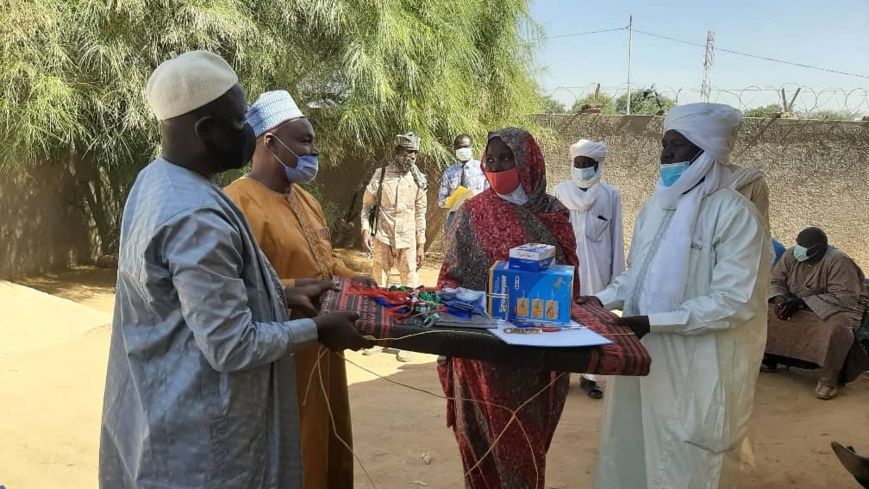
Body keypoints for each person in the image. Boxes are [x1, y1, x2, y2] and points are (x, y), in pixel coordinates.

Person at [99, 51, 367, 489]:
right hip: (199, 438)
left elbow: (201, 299)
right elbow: (231, 344)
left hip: (165, 405)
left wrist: (286, 294)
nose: (250, 130)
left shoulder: (158, 180)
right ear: (207, 131)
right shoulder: (196, 215)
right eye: (241, 122)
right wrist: (317, 330)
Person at [589, 103, 770, 488]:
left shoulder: (734, 213)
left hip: (694, 362)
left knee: (680, 460)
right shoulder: (656, 206)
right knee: (629, 448)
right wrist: (600, 300)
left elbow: (735, 302)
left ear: (706, 150)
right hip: (640, 351)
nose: (665, 154)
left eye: (678, 145)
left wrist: (653, 322)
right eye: (664, 144)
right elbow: (635, 276)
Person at [224, 90, 377, 488]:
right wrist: (300, 289)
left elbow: (325, 262)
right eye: (305, 140)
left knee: (329, 436)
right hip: (281, 350)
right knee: (294, 447)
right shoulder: (235, 204)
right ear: (270, 142)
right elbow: (239, 288)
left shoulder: (306, 199)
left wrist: (350, 278)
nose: (313, 150)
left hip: (326, 345)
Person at [438, 128, 579, 488]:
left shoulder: (553, 213)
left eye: (507, 158)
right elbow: (449, 278)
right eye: (492, 159)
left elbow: (568, 281)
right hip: (481, 356)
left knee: (524, 450)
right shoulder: (471, 213)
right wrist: (474, 303)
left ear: (528, 161)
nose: (497, 166)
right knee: (480, 444)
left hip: (533, 357)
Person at [554, 139, 624, 400]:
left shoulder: (610, 195)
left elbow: (616, 238)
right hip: (565, 269)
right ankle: (561, 374)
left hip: (597, 270)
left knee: (594, 322)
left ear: (598, 165)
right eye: (578, 163)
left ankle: (590, 376)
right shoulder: (560, 192)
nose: (582, 168)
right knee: (563, 319)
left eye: (588, 164)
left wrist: (617, 280)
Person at [764, 227, 869, 399]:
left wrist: (801, 303)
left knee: (837, 330)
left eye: (803, 247)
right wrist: (779, 300)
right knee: (765, 313)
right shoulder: (791, 255)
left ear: (818, 249)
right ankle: (770, 359)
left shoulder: (838, 261)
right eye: (798, 243)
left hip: (837, 308)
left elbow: (845, 297)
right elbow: (775, 281)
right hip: (796, 302)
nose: (798, 249)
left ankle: (829, 379)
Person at [360, 132, 427, 288]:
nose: (413, 156)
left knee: (411, 289)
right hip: (383, 238)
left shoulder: (419, 180)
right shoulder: (381, 175)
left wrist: (421, 245)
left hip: (408, 241)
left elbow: (420, 213)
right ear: (398, 150)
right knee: (379, 287)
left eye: (415, 152)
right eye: (409, 151)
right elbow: (367, 207)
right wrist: (365, 230)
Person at [437, 133, 488, 231]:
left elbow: (490, 194)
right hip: (455, 219)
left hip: (478, 217)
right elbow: (440, 201)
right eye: (460, 147)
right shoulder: (449, 172)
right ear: (455, 149)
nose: (463, 149)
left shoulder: (482, 168)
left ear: (471, 147)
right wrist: (451, 200)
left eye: (466, 146)